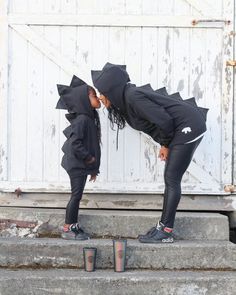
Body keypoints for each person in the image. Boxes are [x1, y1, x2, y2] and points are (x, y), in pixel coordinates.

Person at [91, 62, 208, 244]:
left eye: (102, 92)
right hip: (180, 127)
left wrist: (165, 144)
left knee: (171, 178)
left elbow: (164, 121)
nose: (100, 97)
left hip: (189, 126)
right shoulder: (126, 100)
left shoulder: (132, 97)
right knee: (171, 177)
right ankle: (163, 227)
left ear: (111, 89)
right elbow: (156, 122)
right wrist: (165, 143)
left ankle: (166, 231)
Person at [56, 75, 101, 240]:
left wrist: (93, 169)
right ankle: (68, 227)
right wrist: (88, 158)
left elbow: (91, 146)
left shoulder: (88, 119)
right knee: (76, 195)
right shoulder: (82, 120)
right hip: (75, 164)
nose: (98, 99)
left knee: (77, 194)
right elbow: (75, 143)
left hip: (80, 164)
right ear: (85, 99)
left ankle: (73, 225)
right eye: (94, 96)